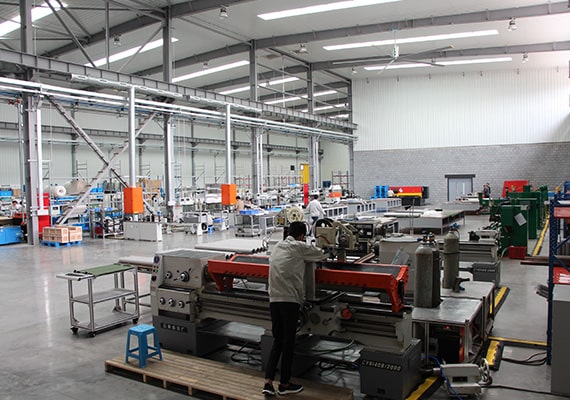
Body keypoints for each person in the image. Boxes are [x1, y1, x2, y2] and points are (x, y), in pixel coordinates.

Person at [262, 221, 325, 396]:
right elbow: (321, 254)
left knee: (278, 341)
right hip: (289, 300)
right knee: (288, 343)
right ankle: (284, 384)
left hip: (274, 299)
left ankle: (268, 383)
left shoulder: (277, 247)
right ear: (302, 236)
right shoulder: (299, 247)